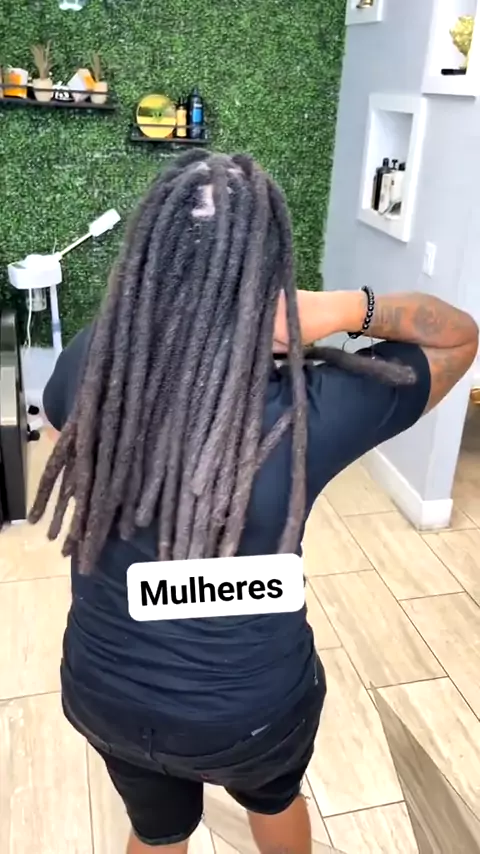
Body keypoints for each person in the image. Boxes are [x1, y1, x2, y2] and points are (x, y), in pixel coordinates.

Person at [30, 151, 478, 854]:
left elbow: (61, 434)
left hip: (105, 693)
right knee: (275, 800)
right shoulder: (313, 406)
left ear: (154, 254)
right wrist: (340, 308)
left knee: (156, 831)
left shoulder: (96, 358)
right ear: (270, 274)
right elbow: (459, 336)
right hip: (250, 716)